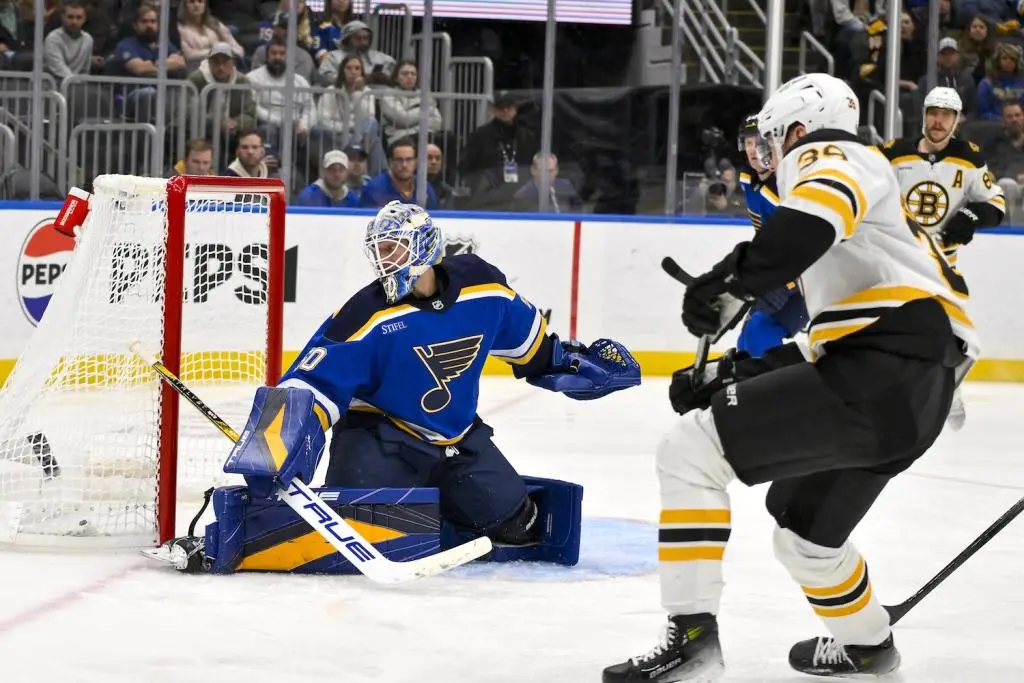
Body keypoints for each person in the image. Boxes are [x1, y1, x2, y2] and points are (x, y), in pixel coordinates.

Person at [603, 72, 977, 681]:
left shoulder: (832, 152)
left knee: (688, 451)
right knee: (806, 538)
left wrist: (730, 284)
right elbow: (841, 340)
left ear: (801, 129)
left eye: (775, 140)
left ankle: (693, 643)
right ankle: (869, 646)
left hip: (886, 376)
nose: (771, 156)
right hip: (910, 393)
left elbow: (803, 236)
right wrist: (735, 372)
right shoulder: (865, 224)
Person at [224, 201, 639, 561]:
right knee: (361, 529)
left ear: (422, 245)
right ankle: (420, 523)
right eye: (378, 252)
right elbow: (310, 385)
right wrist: (274, 446)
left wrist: (575, 367)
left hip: (456, 440)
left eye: (392, 248)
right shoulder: (364, 315)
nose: (383, 261)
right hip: (379, 437)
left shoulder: (486, 288)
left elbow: (532, 349)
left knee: (518, 528)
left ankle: (434, 524)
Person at [881, 86, 1004, 431]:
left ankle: (949, 389)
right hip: (895, 261)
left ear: (957, 120)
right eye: (933, 113)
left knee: (961, 339)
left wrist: (972, 217)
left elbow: (995, 204)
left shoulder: (969, 158)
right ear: (923, 115)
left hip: (941, 265)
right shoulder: (894, 154)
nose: (938, 121)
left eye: (946, 115)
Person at [735, 114, 808, 357]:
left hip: (803, 280)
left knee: (758, 333)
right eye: (748, 143)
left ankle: (773, 390)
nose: (753, 151)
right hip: (775, 272)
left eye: (759, 143)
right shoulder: (747, 178)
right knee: (745, 342)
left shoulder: (786, 189)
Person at [360, 137, 439, 209]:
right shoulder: (375, 189)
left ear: (415, 162)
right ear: (390, 162)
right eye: (399, 160)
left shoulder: (425, 188)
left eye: (409, 159)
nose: (404, 165)